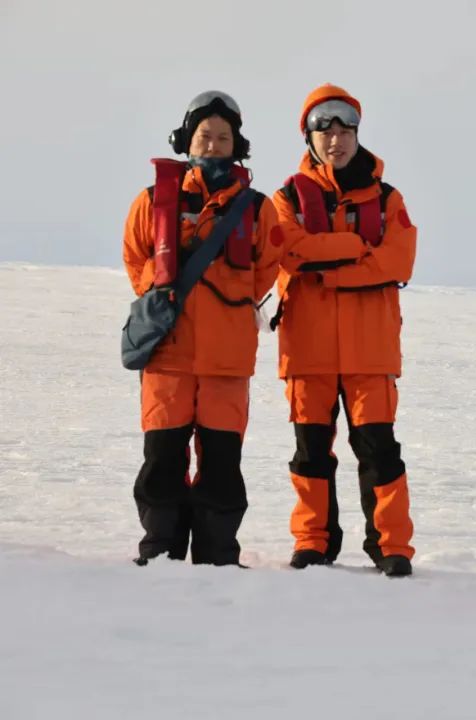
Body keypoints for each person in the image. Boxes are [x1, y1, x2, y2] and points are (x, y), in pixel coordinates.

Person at [122, 91, 282, 566]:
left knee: (221, 463)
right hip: (167, 356)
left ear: (237, 145)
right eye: (205, 135)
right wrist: (162, 289)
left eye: (223, 137)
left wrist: (227, 302)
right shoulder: (153, 200)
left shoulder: (256, 208)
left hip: (226, 361)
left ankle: (217, 556)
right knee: (162, 460)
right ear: (187, 140)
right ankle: (160, 551)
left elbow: (267, 268)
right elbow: (135, 258)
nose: (213, 145)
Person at [270, 84, 417, 576]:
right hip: (307, 349)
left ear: (357, 133)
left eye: (345, 128)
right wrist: (359, 248)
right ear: (308, 137)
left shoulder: (389, 198)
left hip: (370, 351)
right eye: (323, 128)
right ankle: (313, 542)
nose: (336, 138)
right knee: (310, 452)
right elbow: (288, 249)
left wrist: (329, 268)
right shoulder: (286, 197)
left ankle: (391, 546)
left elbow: (399, 259)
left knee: (380, 452)